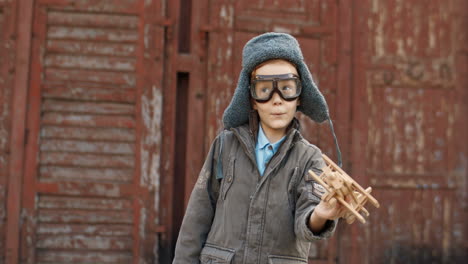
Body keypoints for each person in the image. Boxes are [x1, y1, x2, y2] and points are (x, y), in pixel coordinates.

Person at [173, 32, 346, 264]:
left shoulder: (309, 158)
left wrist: (321, 214)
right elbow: (197, 218)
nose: (277, 100)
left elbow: (308, 218)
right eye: (264, 90)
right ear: (252, 98)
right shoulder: (225, 147)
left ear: (300, 96)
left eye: (287, 88)